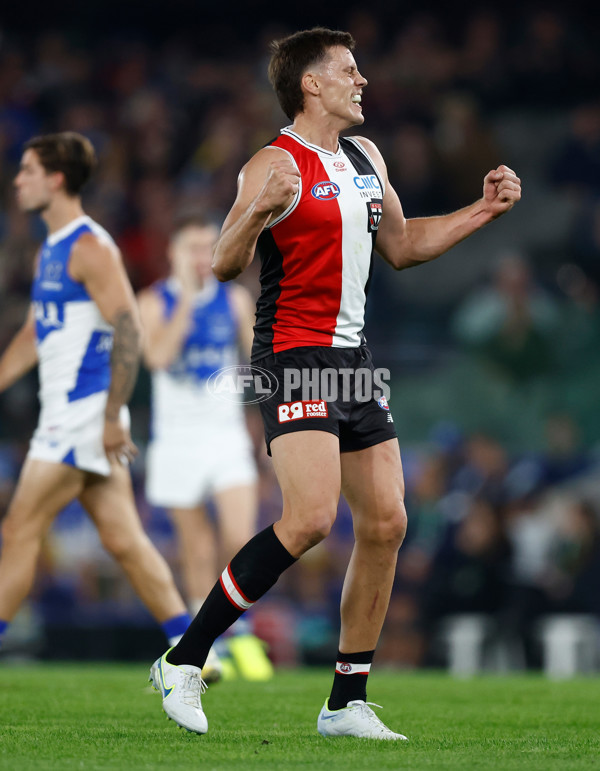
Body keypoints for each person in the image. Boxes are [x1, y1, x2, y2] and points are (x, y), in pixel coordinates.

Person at [150, 27, 521, 739]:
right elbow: (224, 263)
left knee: (387, 521)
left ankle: (345, 700)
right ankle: (185, 658)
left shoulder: (364, 156)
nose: (364, 81)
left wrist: (482, 210)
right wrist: (259, 211)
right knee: (312, 518)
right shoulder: (271, 162)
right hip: (292, 352)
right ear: (311, 84)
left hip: (352, 357)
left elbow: (404, 246)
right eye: (349, 70)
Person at [0, 132, 192, 656]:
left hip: (84, 413)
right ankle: (193, 644)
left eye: (28, 170)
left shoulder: (91, 247)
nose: (18, 180)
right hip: (72, 413)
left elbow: (129, 328)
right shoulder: (50, 251)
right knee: (124, 540)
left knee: (19, 528)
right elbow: (37, 331)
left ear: (56, 179)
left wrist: (111, 415)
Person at [137, 213, 272, 681]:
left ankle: (243, 630)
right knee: (195, 548)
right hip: (175, 439)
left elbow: (259, 362)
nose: (200, 258)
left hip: (225, 433)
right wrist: (188, 308)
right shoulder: (153, 303)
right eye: (191, 249)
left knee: (239, 535)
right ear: (173, 254)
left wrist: (267, 427)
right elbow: (157, 357)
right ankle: (203, 646)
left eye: (206, 248)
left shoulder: (234, 299)